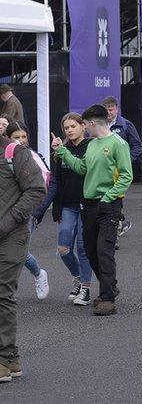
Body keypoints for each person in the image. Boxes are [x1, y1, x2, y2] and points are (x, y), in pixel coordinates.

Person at [51, 104, 133, 316]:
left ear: (92, 123)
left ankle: (107, 298)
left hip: (109, 205)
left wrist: (108, 198)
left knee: (104, 251)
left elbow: (126, 175)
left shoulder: (118, 144)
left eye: (85, 124)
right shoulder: (94, 145)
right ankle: (110, 285)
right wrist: (62, 152)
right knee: (90, 250)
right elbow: (82, 168)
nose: (83, 128)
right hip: (89, 205)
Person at [0, 129, 46, 383]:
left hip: (12, 234)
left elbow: (36, 189)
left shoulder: (15, 152)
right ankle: (12, 359)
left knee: (2, 292)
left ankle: (4, 359)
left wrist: (9, 221)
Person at [47, 113, 95, 305]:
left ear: (83, 126)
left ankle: (86, 288)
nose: (69, 130)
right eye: (66, 128)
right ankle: (77, 278)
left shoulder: (91, 147)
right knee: (63, 248)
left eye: (73, 126)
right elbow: (57, 180)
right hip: (67, 205)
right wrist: (56, 208)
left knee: (83, 248)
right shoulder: (62, 150)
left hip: (86, 205)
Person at [103, 96, 142, 234]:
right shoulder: (100, 126)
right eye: (106, 109)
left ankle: (116, 228)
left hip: (119, 172)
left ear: (117, 109)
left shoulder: (126, 125)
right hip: (104, 170)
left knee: (116, 197)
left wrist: (126, 161)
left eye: (111, 109)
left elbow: (137, 146)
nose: (109, 112)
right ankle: (118, 223)